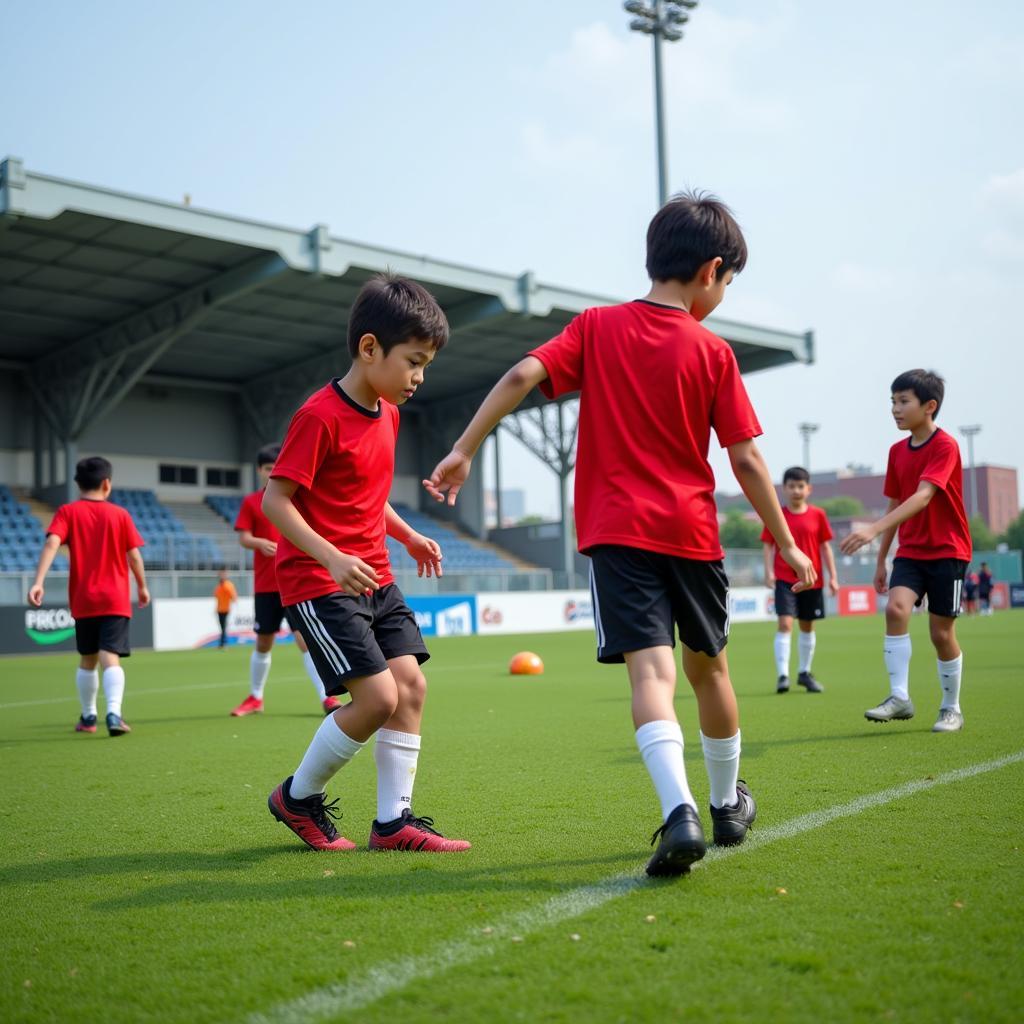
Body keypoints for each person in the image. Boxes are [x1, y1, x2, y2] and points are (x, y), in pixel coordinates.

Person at [424, 191, 815, 877]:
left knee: (651, 674)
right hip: (692, 533)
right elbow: (747, 458)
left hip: (616, 534)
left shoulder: (597, 327)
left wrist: (464, 448)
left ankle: (679, 811)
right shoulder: (714, 352)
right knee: (709, 669)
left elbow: (521, 373)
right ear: (712, 271)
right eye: (728, 283)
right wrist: (784, 541)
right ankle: (726, 805)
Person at [262, 273, 470, 853]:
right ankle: (296, 798)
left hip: (375, 575)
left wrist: (408, 536)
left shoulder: (389, 412)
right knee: (378, 699)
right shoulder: (319, 416)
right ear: (370, 347)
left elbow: (367, 496)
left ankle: (392, 823)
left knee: (411, 687)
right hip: (318, 581)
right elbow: (274, 501)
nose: (420, 377)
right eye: (414, 361)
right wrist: (329, 557)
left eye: (426, 364)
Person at [840, 369, 971, 733]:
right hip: (911, 551)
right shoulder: (896, 451)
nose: (895, 409)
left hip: (948, 551)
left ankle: (951, 708)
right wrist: (882, 558)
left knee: (941, 634)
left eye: (903, 402)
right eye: (892, 402)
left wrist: (871, 532)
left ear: (929, 406)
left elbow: (923, 496)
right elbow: (895, 504)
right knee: (896, 609)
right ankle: (900, 697)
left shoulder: (945, 446)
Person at [27, 456, 149, 736]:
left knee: (87, 659)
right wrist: (142, 586)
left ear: (77, 484)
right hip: (115, 598)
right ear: (107, 483)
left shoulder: (67, 512)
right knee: (110, 657)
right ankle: (114, 714)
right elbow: (134, 556)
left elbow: (51, 543)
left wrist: (38, 582)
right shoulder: (120, 514)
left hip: (84, 599)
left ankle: (88, 717)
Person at [230, 444, 343, 717]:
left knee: (305, 640)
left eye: (274, 468)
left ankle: (327, 697)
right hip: (267, 585)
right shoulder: (252, 502)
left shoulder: (296, 497)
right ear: (259, 470)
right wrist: (259, 543)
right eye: (267, 469)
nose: (271, 473)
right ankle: (256, 697)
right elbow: (244, 537)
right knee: (263, 642)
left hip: (296, 582)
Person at [761, 466, 838, 694]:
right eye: (791, 486)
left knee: (807, 625)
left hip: (812, 579)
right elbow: (767, 545)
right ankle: (782, 676)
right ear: (784, 489)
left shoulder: (818, 515)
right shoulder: (776, 515)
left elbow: (825, 547)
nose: (796, 490)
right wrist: (768, 572)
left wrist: (833, 576)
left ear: (808, 489)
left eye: (800, 486)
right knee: (785, 623)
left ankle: (804, 672)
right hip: (785, 578)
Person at [213, 570, 237, 648]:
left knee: (223, 626)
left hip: (226, 609)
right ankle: (222, 642)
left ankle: (223, 643)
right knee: (222, 626)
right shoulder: (219, 586)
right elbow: (216, 595)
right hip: (219, 609)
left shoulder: (228, 585)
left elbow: (233, 596)